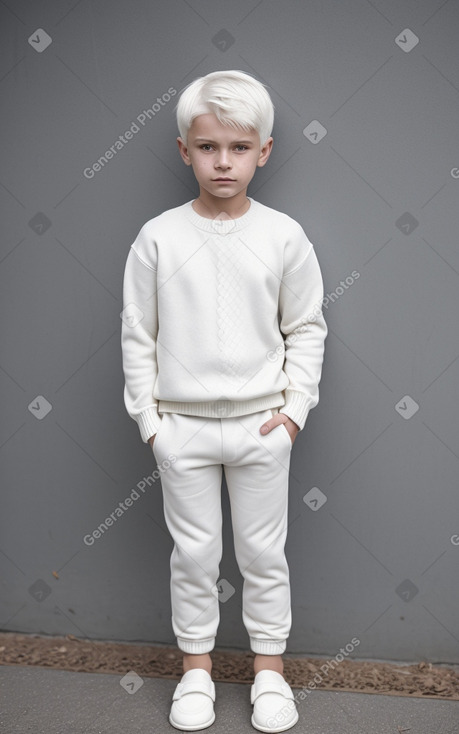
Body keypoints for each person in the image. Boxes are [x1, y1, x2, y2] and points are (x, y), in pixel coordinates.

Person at [121, 69, 328, 732]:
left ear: (262, 151)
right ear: (184, 150)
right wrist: (152, 422)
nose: (222, 161)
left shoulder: (283, 236)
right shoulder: (157, 237)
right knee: (195, 554)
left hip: (260, 426)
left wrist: (293, 411)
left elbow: (306, 327)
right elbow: (137, 332)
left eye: (238, 148)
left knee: (264, 553)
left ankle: (269, 673)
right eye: (207, 147)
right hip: (180, 428)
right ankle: (196, 672)